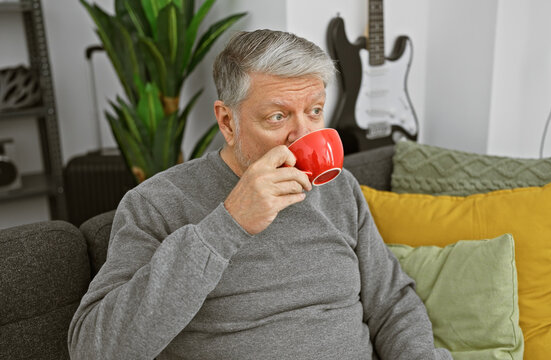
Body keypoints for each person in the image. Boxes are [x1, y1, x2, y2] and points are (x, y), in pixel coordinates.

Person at [68, 29, 452, 360]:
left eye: (315, 111)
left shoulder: (339, 189)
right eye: (278, 117)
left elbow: (392, 304)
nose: (303, 135)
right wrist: (227, 224)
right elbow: (94, 348)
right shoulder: (157, 203)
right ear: (227, 122)